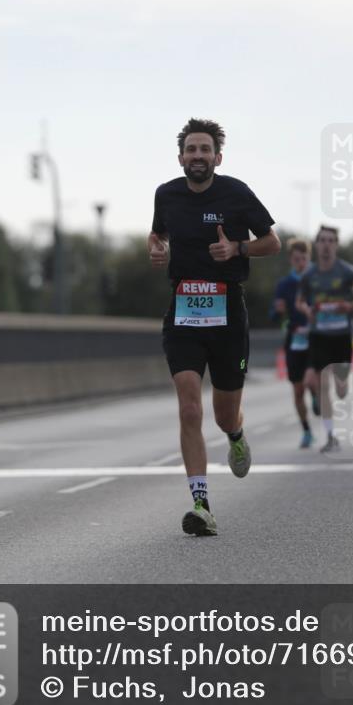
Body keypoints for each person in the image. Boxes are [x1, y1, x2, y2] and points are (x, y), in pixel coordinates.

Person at [148, 118, 280, 536]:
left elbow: (272, 242)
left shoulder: (236, 193)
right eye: (191, 149)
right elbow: (156, 235)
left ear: (217, 158)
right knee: (190, 407)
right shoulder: (166, 194)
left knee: (223, 415)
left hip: (227, 314)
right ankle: (201, 505)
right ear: (181, 158)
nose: (198, 156)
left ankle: (236, 434)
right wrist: (156, 248)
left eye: (205, 149)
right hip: (184, 313)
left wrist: (238, 248)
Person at [296, 226, 353, 453]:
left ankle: (344, 380)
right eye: (322, 240)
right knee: (322, 385)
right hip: (319, 335)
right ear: (317, 244)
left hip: (341, 335)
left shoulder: (347, 272)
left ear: (336, 245)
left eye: (331, 241)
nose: (326, 245)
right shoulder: (309, 275)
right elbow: (299, 301)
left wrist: (350, 306)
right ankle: (330, 436)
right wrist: (307, 310)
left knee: (340, 390)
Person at [272, 237, 317, 448]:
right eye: (297, 259)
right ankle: (306, 431)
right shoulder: (284, 285)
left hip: (316, 338)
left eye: (304, 259)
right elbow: (274, 315)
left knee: (311, 380)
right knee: (298, 390)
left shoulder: (317, 280)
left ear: (309, 259)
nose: (301, 263)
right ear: (291, 260)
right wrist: (277, 311)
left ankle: (316, 395)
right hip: (294, 340)